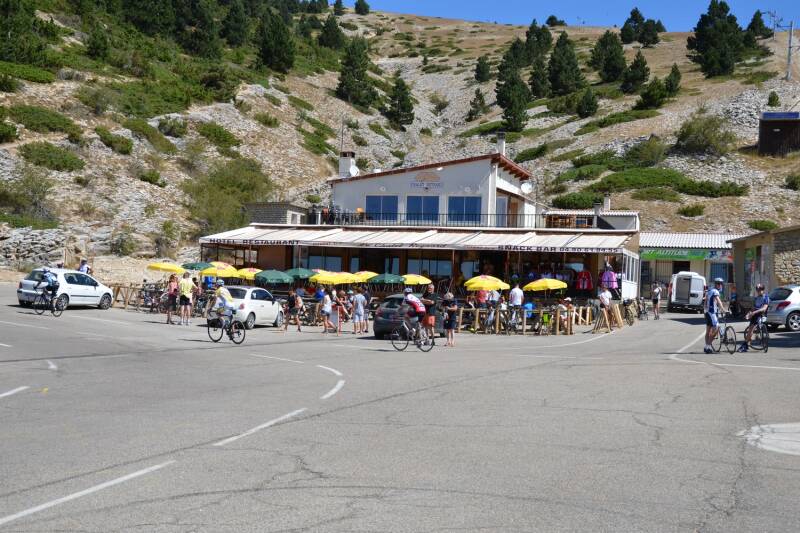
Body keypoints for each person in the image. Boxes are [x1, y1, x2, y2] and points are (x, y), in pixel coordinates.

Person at [739, 284, 770, 353]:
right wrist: (749, 314)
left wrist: (754, 312)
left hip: (761, 314)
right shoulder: (756, 298)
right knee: (750, 330)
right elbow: (753, 308)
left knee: (751, 329)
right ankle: (747, 344)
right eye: (757, 290)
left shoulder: (766, 297)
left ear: (763, 290)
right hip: (755, 314)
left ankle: (745, 344)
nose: (759, 291)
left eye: (760, 290)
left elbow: (764, 309)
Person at [703, 278, 726, 354]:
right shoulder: (715, 291)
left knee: (708, 330)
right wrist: (723, 309)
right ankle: (709, 345)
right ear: (716, 284)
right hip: (712, 312)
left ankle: (707, 347)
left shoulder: (709, 291)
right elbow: (718, 301)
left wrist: (705, 311)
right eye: (719, 284)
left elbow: (706, 301)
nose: (720, 285)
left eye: (721, 284)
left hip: (707, 312)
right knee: (716, 328)